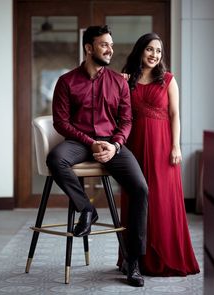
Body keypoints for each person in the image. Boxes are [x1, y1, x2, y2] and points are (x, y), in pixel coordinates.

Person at [46, 25, 148, 287]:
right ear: (88, 48)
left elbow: (126, 120)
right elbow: (61, 122)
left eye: (111, 45)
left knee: (140, 188)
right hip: (80, 143)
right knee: (56, 158)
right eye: (104, 45)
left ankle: (132, 261)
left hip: (112, 144)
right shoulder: (66, 81)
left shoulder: (118, 83)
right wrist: (90, 143)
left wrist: (115, 145)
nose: (110, 50)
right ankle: (87, 209)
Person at [118, 32, 200, 276]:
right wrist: (120, 82)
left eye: (159, 51)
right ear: (140, 51)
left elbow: (175, 115)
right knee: (136, 199)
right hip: (134, 145)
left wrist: (176, 146)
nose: (154, 55)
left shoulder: (167, 79)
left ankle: (163, 256)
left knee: (161, 200)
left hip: (163, 146)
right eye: (150, 49)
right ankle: (134, 259)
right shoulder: (127, 79)